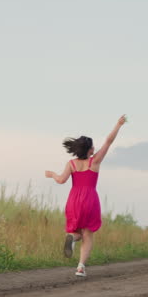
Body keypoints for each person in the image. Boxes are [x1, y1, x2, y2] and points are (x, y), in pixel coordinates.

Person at [45, 115, 127, 277]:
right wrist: (118, 125)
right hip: (90, 200)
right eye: (92, 147)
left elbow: (61, 180)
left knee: (76, 231)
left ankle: (71, 238)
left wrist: (52, 174)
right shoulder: (94, 162)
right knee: (88, 234)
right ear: (89, 150)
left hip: (74, 200)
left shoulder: (71, 164)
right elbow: (108, 141)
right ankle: (81, 267)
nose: (94, 148)